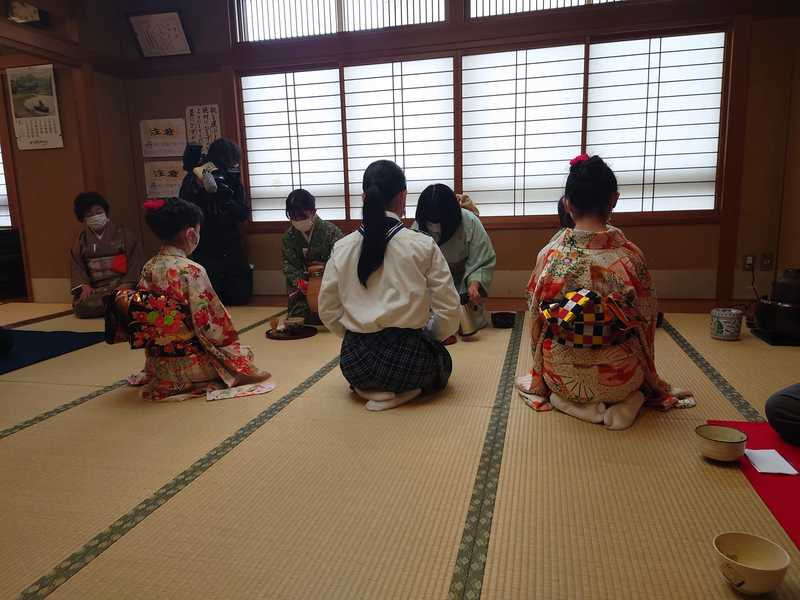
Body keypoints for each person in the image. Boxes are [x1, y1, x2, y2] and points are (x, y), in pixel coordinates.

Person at [517, 154, 692, 430]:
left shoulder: (549, 256)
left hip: (562, 377)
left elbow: (536, 317)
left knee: (550, 351)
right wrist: (649, 374)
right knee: (634, 360)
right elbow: (646, 321)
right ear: (614, 200)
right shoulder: (630, 257)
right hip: (621, 378)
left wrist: (540, 371)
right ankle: (629, 399)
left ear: (567, 204)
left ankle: (570, 403)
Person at [318, 160, 460, 412]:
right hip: (408, 363)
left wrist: (355, 334)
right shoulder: (422, 245)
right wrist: (430, 336)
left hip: (354, 363)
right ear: (402, 197)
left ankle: (366, 389)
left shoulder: (342, 247)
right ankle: (405, 392)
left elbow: (327, 310)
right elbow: (449, 311)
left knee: (371, 369)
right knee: (442, 362)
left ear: (364, 197)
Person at [112, 197, 269, 402]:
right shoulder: (191, 270)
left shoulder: (149, 266)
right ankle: (190, 378)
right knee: (245, 354)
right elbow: (212, 325)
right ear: (191, 234)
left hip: (158, 364)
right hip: (193, 365)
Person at [413, 184, 496, 341]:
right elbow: (413, 266)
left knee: (467, 319)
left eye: (439, 222)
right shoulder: (418, 227)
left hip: (462, 282)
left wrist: (474, 284)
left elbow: (482, 258)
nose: (435, 227)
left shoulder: (469, 221)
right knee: (427, 317)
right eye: (431, 222)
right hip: (433, 285)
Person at [179, 138, 251, 305]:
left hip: (227, 240)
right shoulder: (196, 177)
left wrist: (225, 199)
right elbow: (186, 209)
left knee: (237, 295)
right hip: (204, 240)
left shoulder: (231, 179)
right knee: (209, 297)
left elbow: (242, 213)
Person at [70, 192, 144, 319]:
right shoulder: (82, 241)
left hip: (122, 285)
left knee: (132, 300)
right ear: (83, 218)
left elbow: (136, 261)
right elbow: (77, 266)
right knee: (82, 306)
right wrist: (84, 286)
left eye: (98, 212)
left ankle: (115, 305)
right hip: (96, 290)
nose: (95, 217)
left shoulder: (124, 234)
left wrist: (127, 284)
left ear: (105, 212)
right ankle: (113, 306)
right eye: (89, 215)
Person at [282, 189, 343, 325]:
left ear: (313, 211)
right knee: (297, 314)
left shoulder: (331, 232)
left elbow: (341, 261)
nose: (298, 220)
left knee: (335, 310)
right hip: (304, 291)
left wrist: (321, 273)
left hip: (329, 288)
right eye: (293, 216)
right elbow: (289, 265)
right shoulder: (289, 237)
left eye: (302, 215)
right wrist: (301, 283)